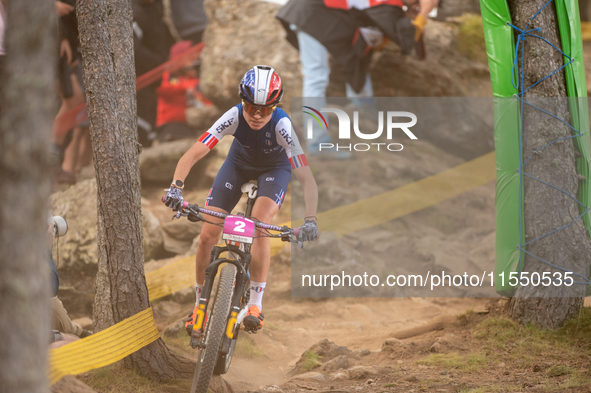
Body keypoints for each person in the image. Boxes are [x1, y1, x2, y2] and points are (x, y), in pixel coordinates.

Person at [164, 65, 319, 332]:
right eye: (251, 108)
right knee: (207, 234)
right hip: (237, 166)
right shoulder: (233, 116)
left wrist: (310, 219)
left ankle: (256, 305)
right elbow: (192, 153)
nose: (257, 116)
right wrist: (176, 187)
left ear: (275, 107)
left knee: (258, 226)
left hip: (274, 170)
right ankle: (200, 306)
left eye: (266, 110)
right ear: (242, 102)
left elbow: (306, 177)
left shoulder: (283, 125)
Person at [276, 0, 438, 154]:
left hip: (311, 12)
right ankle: (318, 143)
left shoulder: (382, 6)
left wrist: (409, 15)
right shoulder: (385, 3)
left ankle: (362, 105)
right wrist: (424, 11)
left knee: (352, 57)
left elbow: (371, 43)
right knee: (316, 77)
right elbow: (406, 39)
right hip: (312, 15)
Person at [155, 40, 211, 142]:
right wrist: (187, 86)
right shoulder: (168, 76)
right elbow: (164, 91)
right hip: (173, 123)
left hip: (197, 124)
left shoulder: (199, 79)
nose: (196, 59)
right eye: (192, 56)